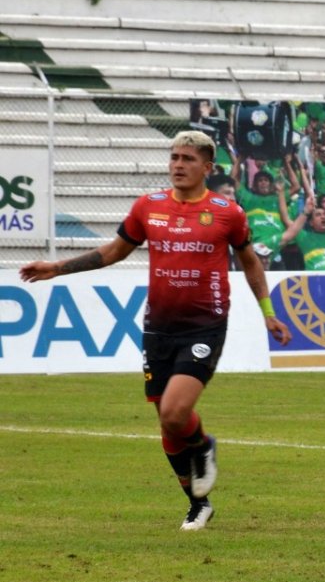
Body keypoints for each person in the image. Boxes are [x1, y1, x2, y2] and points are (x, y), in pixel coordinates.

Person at [18, 131, 292, 531]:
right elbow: (113, 252)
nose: (178, 164)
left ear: (207, 168)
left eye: (188, 159)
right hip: (158, 328)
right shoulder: (149, 207)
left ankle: (204, 446)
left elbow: (250, 262)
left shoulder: (227, 212)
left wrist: (268, 312)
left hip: (205, 325)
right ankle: (198, 503)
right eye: (174, 157)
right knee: (167, 424)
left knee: (175, 411)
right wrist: (57, 269)